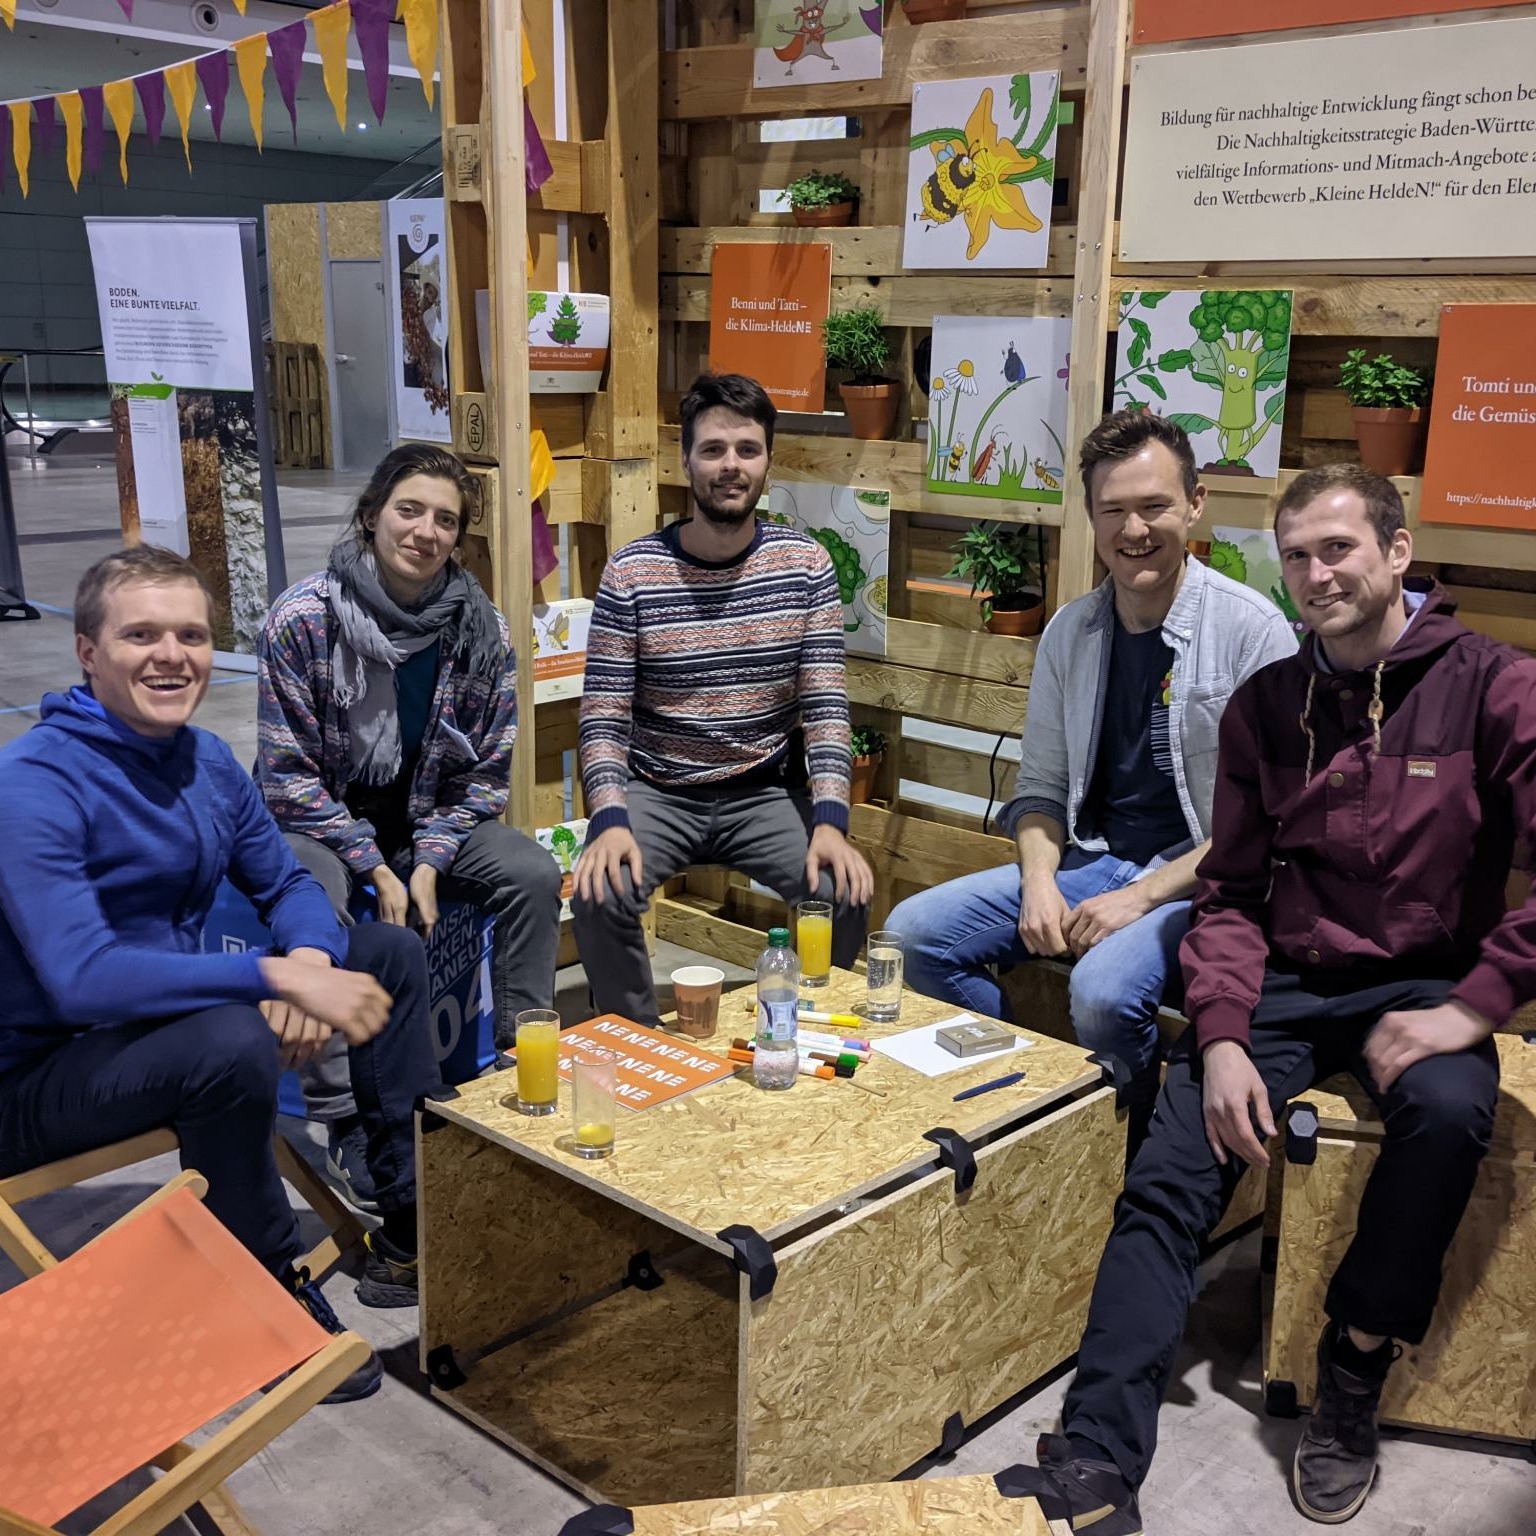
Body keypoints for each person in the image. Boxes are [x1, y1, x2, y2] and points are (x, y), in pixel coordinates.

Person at [1013, 465, 1536, 1532]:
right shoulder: (1268, 706)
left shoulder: (1495, 687)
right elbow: (1233, 892)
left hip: (1430, 980)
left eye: (1338, 548)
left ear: (1396, 553)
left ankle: (1351, 1370)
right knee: (1172, 1164)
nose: (1315, 573)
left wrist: (1475, 1006)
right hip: (1286, 977)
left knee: (1445, 1117)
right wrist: (1221, 1036)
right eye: (1296, 554)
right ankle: (1100, 1452)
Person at [0, 546, 443, 1402]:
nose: (172, 654)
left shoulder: (203, 762)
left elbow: (282, 880)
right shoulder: (31, 785)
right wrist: (271, 982)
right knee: (229, 1039)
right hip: (32, 1080)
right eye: (141, 634)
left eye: (191, 634)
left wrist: (310, 956)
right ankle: (262, 1294)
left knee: (385, 951)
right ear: (87, 651)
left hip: (150, 1035)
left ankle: (410, 1220)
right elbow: (81, 979)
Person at [890, 410, 1295, 1139]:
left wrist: (1139, 898)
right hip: (1092, 865)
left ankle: (1124, 1155)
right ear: (1090, 516)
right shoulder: (1070, 632)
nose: (1134, 529)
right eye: (1114, 510)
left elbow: (1262, 825)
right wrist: (1041, 882)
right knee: (916, 932)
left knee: (1104, 992)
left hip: (1202, 883)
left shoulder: (1254, 630)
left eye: (1154, 506)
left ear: (1195, 505)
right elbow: (1039, 791)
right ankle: (1016, 1116)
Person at [257, 444, 561, 1205]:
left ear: (461, 539)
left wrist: (426, 862)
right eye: (409, 509)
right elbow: (288, 778)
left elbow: (485, 774)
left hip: (427, 819)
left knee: (530, 872)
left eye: (446, 520)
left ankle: (521, 1062)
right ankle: (347, 1121)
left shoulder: (481, 628)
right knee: (313, 907)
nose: (425, 531)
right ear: (372, 514)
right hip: (320, 820)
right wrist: (375, 868)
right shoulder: (302, 620)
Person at [573, 371, 873, 1023]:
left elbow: (825, 708)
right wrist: (609, 819)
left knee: (841, 888)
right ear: (685, 460)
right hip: (659, 787)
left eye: (747, 449)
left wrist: (830, 821)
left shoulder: (806, 567)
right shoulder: (632, 571)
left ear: (767, 460)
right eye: (713, 449)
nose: (730, 466)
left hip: (763, 790)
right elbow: (602, 720)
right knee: (599, 890)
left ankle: (802, 1024)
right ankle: (634, 1036)